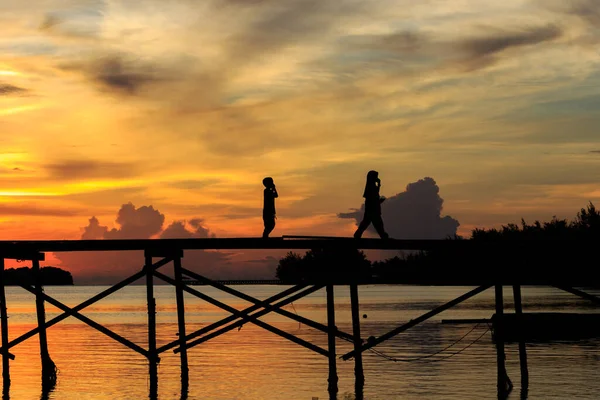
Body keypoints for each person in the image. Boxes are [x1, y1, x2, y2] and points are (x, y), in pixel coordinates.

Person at [354, 170, 389, 239]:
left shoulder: (372, 187)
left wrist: (379, 185)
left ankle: (357, 235)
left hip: (372, 210)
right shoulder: (371, 187)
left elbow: (375, 197)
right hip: (372, 211)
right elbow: (372, 200)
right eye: (376, 177)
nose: (377, 178)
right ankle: (383, 236)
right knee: (377, 224)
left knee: (369, 223)